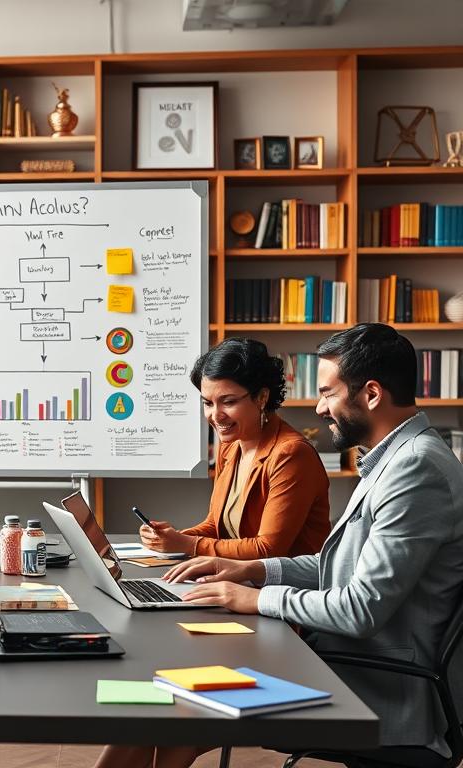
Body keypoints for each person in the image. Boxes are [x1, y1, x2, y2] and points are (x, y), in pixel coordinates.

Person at [95, 323, 463, 768]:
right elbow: (339, 567)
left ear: (370, 394)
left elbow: (360, 609)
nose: (321, 408)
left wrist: (255, 597)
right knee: (164, 701)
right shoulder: (400, 459)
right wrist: (254, 571)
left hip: (374, 684)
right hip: (347, 659)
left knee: (172, 698)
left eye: (328, 393)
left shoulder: (415, 470)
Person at [138, 338, 330, 560]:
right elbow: (215, 525)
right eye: (208, 403)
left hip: (287, 588)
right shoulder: (230, 446)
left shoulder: (291, 454)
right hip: (240, 578)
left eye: (228, 402)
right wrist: (171, 537)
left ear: (262, 397)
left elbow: (268, 549)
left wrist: (185, 543)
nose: (216, 415)